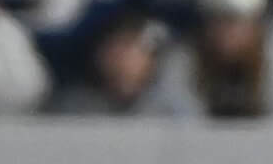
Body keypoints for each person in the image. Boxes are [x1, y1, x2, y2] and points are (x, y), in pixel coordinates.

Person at [160, 0, 271, 116]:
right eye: (217, 21)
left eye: (234, 21)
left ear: (255, 27)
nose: (225, 31)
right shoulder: (181, 64)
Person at [49, 8, 201, 112]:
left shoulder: (173, 109)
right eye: (117, 46)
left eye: (131, 47)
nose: (123, 58)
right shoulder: (74, 107)